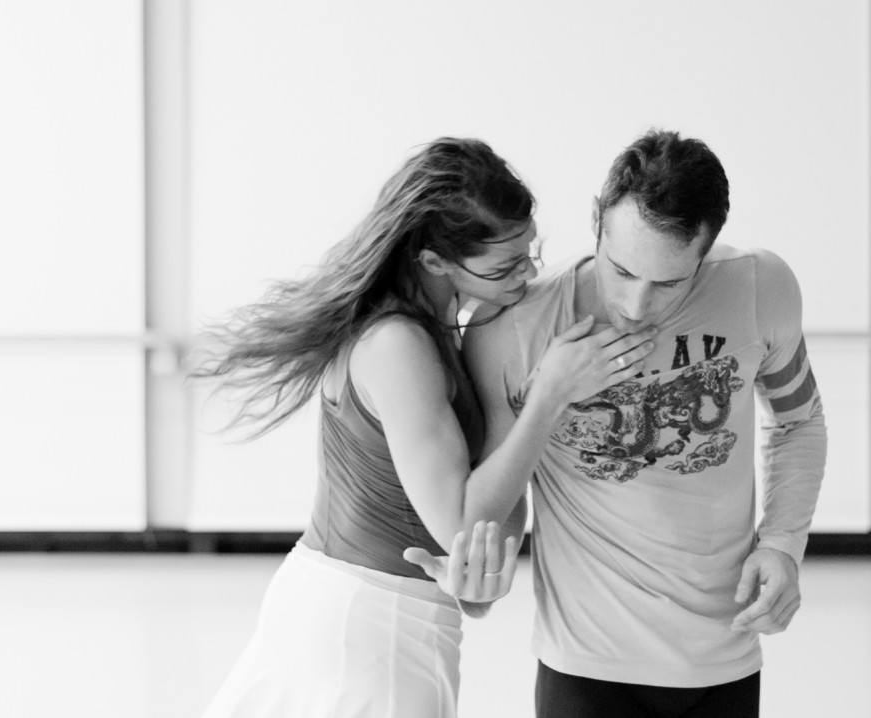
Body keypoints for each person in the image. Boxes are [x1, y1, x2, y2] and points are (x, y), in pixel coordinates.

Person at [193, 137, 656, 717]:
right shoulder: (398, 345)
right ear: (435, 261)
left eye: (530, 253)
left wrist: (478, 578)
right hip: (366, 622)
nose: (527, 274)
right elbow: (461, 523)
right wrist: (551, 397)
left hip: (390, 612)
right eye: (505, 265)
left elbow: (489, 515)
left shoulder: (441, 330)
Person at [463, 129, 828, 717]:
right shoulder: (512, 327)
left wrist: (784, 544)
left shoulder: (760, 287)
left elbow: (799, 421)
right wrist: (485, 570)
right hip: (585, 665)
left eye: (667, 284)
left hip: (726, 656)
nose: (635, 305)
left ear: (707, 252)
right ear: (596, 222)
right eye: (622, 271)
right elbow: (501, 497)